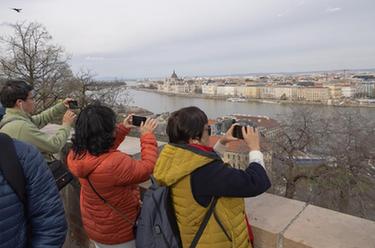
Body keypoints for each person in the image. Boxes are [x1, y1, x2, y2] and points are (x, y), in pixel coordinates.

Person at [153, 106, 271, 248]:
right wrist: (255, 148)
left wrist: (222, 142)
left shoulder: (173, 160)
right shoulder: (205, 173)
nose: (209, 132)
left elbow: (197, 161)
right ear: (194, 139)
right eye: (207, 129)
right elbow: (257, 182)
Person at [66, 104, 158, 248]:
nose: (115, 125)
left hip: (96, 226)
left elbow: (100, 151)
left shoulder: (77, 154)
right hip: (120, 232)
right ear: (106, 131)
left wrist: (123, 128)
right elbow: (147, 168)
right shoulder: (114, 163)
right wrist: (147, 136)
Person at [0, 134, 67, 247]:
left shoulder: (19, 149)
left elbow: (50, 224)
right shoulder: (22, 129)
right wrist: (66, 126)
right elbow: (53, 146)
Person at [0, 80, 76, 162]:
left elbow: (41, 119)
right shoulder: (21, 127)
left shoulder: (12, 119)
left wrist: (61, 106)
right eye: (31, 98)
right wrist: (66, 124)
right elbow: (54, 146)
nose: (34, 101)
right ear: (19, 102)